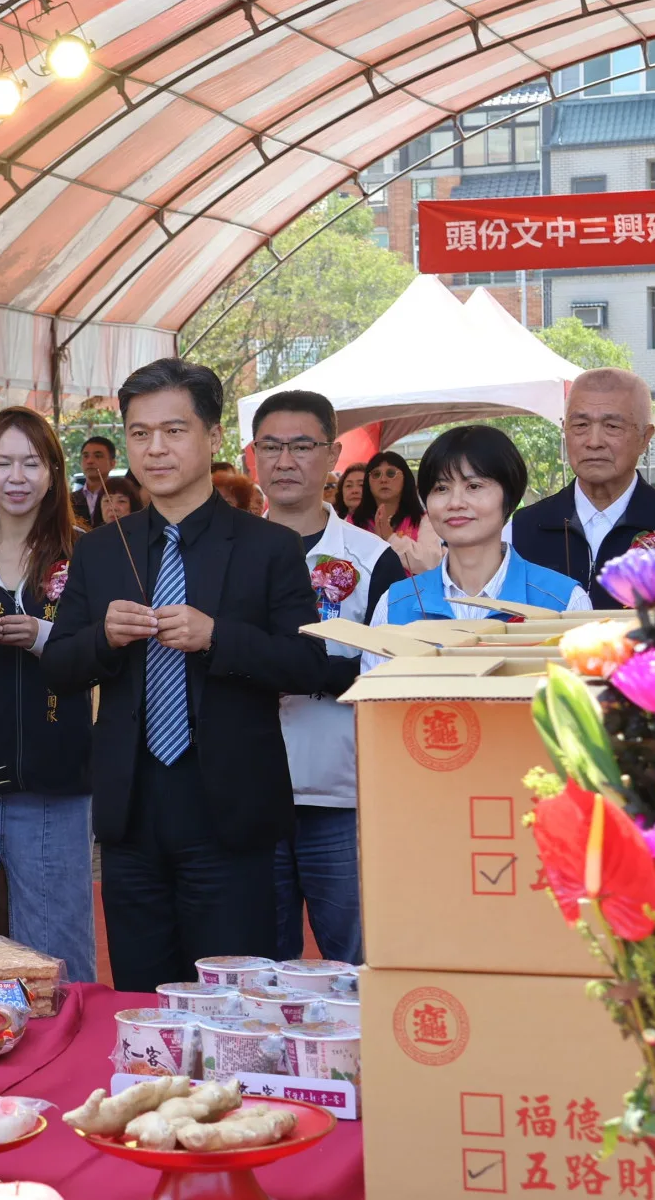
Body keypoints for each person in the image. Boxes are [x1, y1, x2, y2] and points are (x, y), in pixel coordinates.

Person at [41, 359, 336, 992]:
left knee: (234, 999)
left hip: (229, 809)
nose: (156, 449)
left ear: (212, 437)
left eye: (174, 430)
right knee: (144, 998)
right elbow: (60, 667)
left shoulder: (268, 547)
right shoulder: (100, 549)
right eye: (140, 433)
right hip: (132, 810)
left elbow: (309, 662)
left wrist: (218, 638)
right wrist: (104, 638)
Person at [249, 391, 403, 968]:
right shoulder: (226, 551)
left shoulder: (372, 558)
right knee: (262, 964)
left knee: (356, 959)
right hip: (250, 792)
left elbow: (384, 672)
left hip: (340, 792)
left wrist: (289, 668)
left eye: (302, 446)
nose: (285, 461)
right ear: (253, 457)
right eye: (272, 447)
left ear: (333, 454)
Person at [0, 408, 96, 981]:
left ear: (53, 472)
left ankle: (69, 1055)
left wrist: (46, 637)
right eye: (4, 462)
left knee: (55, 940)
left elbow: (107, 651)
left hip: (57, 771)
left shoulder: (86, 553)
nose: (18, 477)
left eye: (32, 462)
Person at [371, 425, 592, 634]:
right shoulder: (393, 606)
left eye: (474, 486)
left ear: (509, 496)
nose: (455, 502)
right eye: (441, 488)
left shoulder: (565, 602)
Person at [508, 368, 655, 610]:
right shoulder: (525, 528)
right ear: (565, 430)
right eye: (581, 425)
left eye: (612, 426)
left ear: (645, 438)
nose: (594, 442)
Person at [351, 450, 441, 574]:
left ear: (406, 478)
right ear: (368, 482)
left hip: (411, 593)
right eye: (376, 474)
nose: (383, 480)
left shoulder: (423, 520)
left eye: (391, 473)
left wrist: (391, 538)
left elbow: (431, 563)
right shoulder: (352, 522)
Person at [72, 437, 116, 523]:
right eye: (85, 456)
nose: (90, 461)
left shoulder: (122, 498)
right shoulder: (69, 501)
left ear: (112, 463)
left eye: (98, 456)